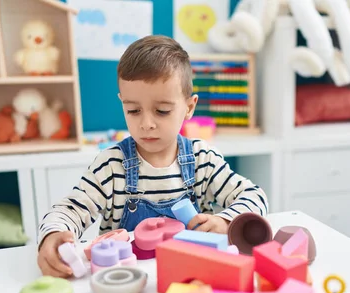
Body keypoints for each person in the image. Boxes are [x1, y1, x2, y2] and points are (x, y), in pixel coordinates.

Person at [37, 35, 269, 278]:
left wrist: (226, 222)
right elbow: (70, 209)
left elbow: (255, 195)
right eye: (133, 110)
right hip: (127, 280)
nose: (146, 124)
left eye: (162, 111)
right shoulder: (111, 166)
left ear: (189, 107)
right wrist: (53, 234)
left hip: (190, 275)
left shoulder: (203, 159)